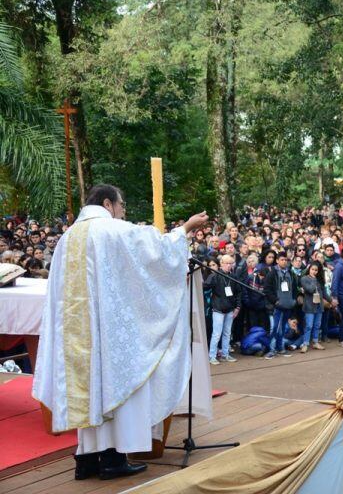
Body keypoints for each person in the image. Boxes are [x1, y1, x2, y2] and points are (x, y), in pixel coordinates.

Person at [32, 184, 209, 481]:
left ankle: (86, 460)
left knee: (89, 393)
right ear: (107, 203)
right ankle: (112, 460)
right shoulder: (109, 230)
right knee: (113, 386)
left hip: (75, 338)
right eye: (122, 205)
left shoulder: (68, 237)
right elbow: (155, 250)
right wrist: (186, 229)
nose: (123, 211)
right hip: (105, 334)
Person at [205, 254, 241, 364]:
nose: (229, 265)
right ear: (221, 264)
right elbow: (205, 286)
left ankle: (225, 354)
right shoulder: (215, 276)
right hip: (218, 309)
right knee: (216, 334)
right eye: (227, 263)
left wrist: (237, 307)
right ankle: (212, 356)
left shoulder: (233, 277)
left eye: (231, 263)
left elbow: (238, 293)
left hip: (230, 309)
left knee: (227, 333)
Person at [263, 252, 299, 359]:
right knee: (275, 328)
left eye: (286, 260)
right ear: (277, 261)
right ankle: (271, 350)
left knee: (282, 328)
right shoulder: (272, 273)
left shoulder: (291, 273)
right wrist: (276, 301)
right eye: (282, 260)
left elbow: (295, 289)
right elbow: (267, 290)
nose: (284, 262)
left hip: (288, 305)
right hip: (277, 307)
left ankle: (280, 348)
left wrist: (293, 301)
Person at [300, 261, 330, 353]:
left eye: (316, 270)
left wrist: (331, 300)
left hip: (319, 306)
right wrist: (313, 279)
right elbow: (310, 289)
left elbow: (324, 292)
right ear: (309, 269)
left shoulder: (319, 279)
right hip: (309, 306)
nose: (314, 272)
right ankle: (305, 344)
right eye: (312, 269)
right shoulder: (304, 279)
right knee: (309, 325)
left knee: (317, 325)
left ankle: (315, 342)